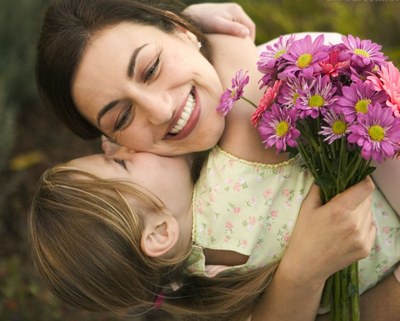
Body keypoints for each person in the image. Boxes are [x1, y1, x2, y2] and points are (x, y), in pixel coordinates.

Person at [33, 0, 400, 320]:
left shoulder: (304, 75)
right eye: (122, 119)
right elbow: (243, 80)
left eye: (151, 68)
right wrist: (202, 32)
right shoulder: (227, 174)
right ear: (110, 139)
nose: (160, 111)